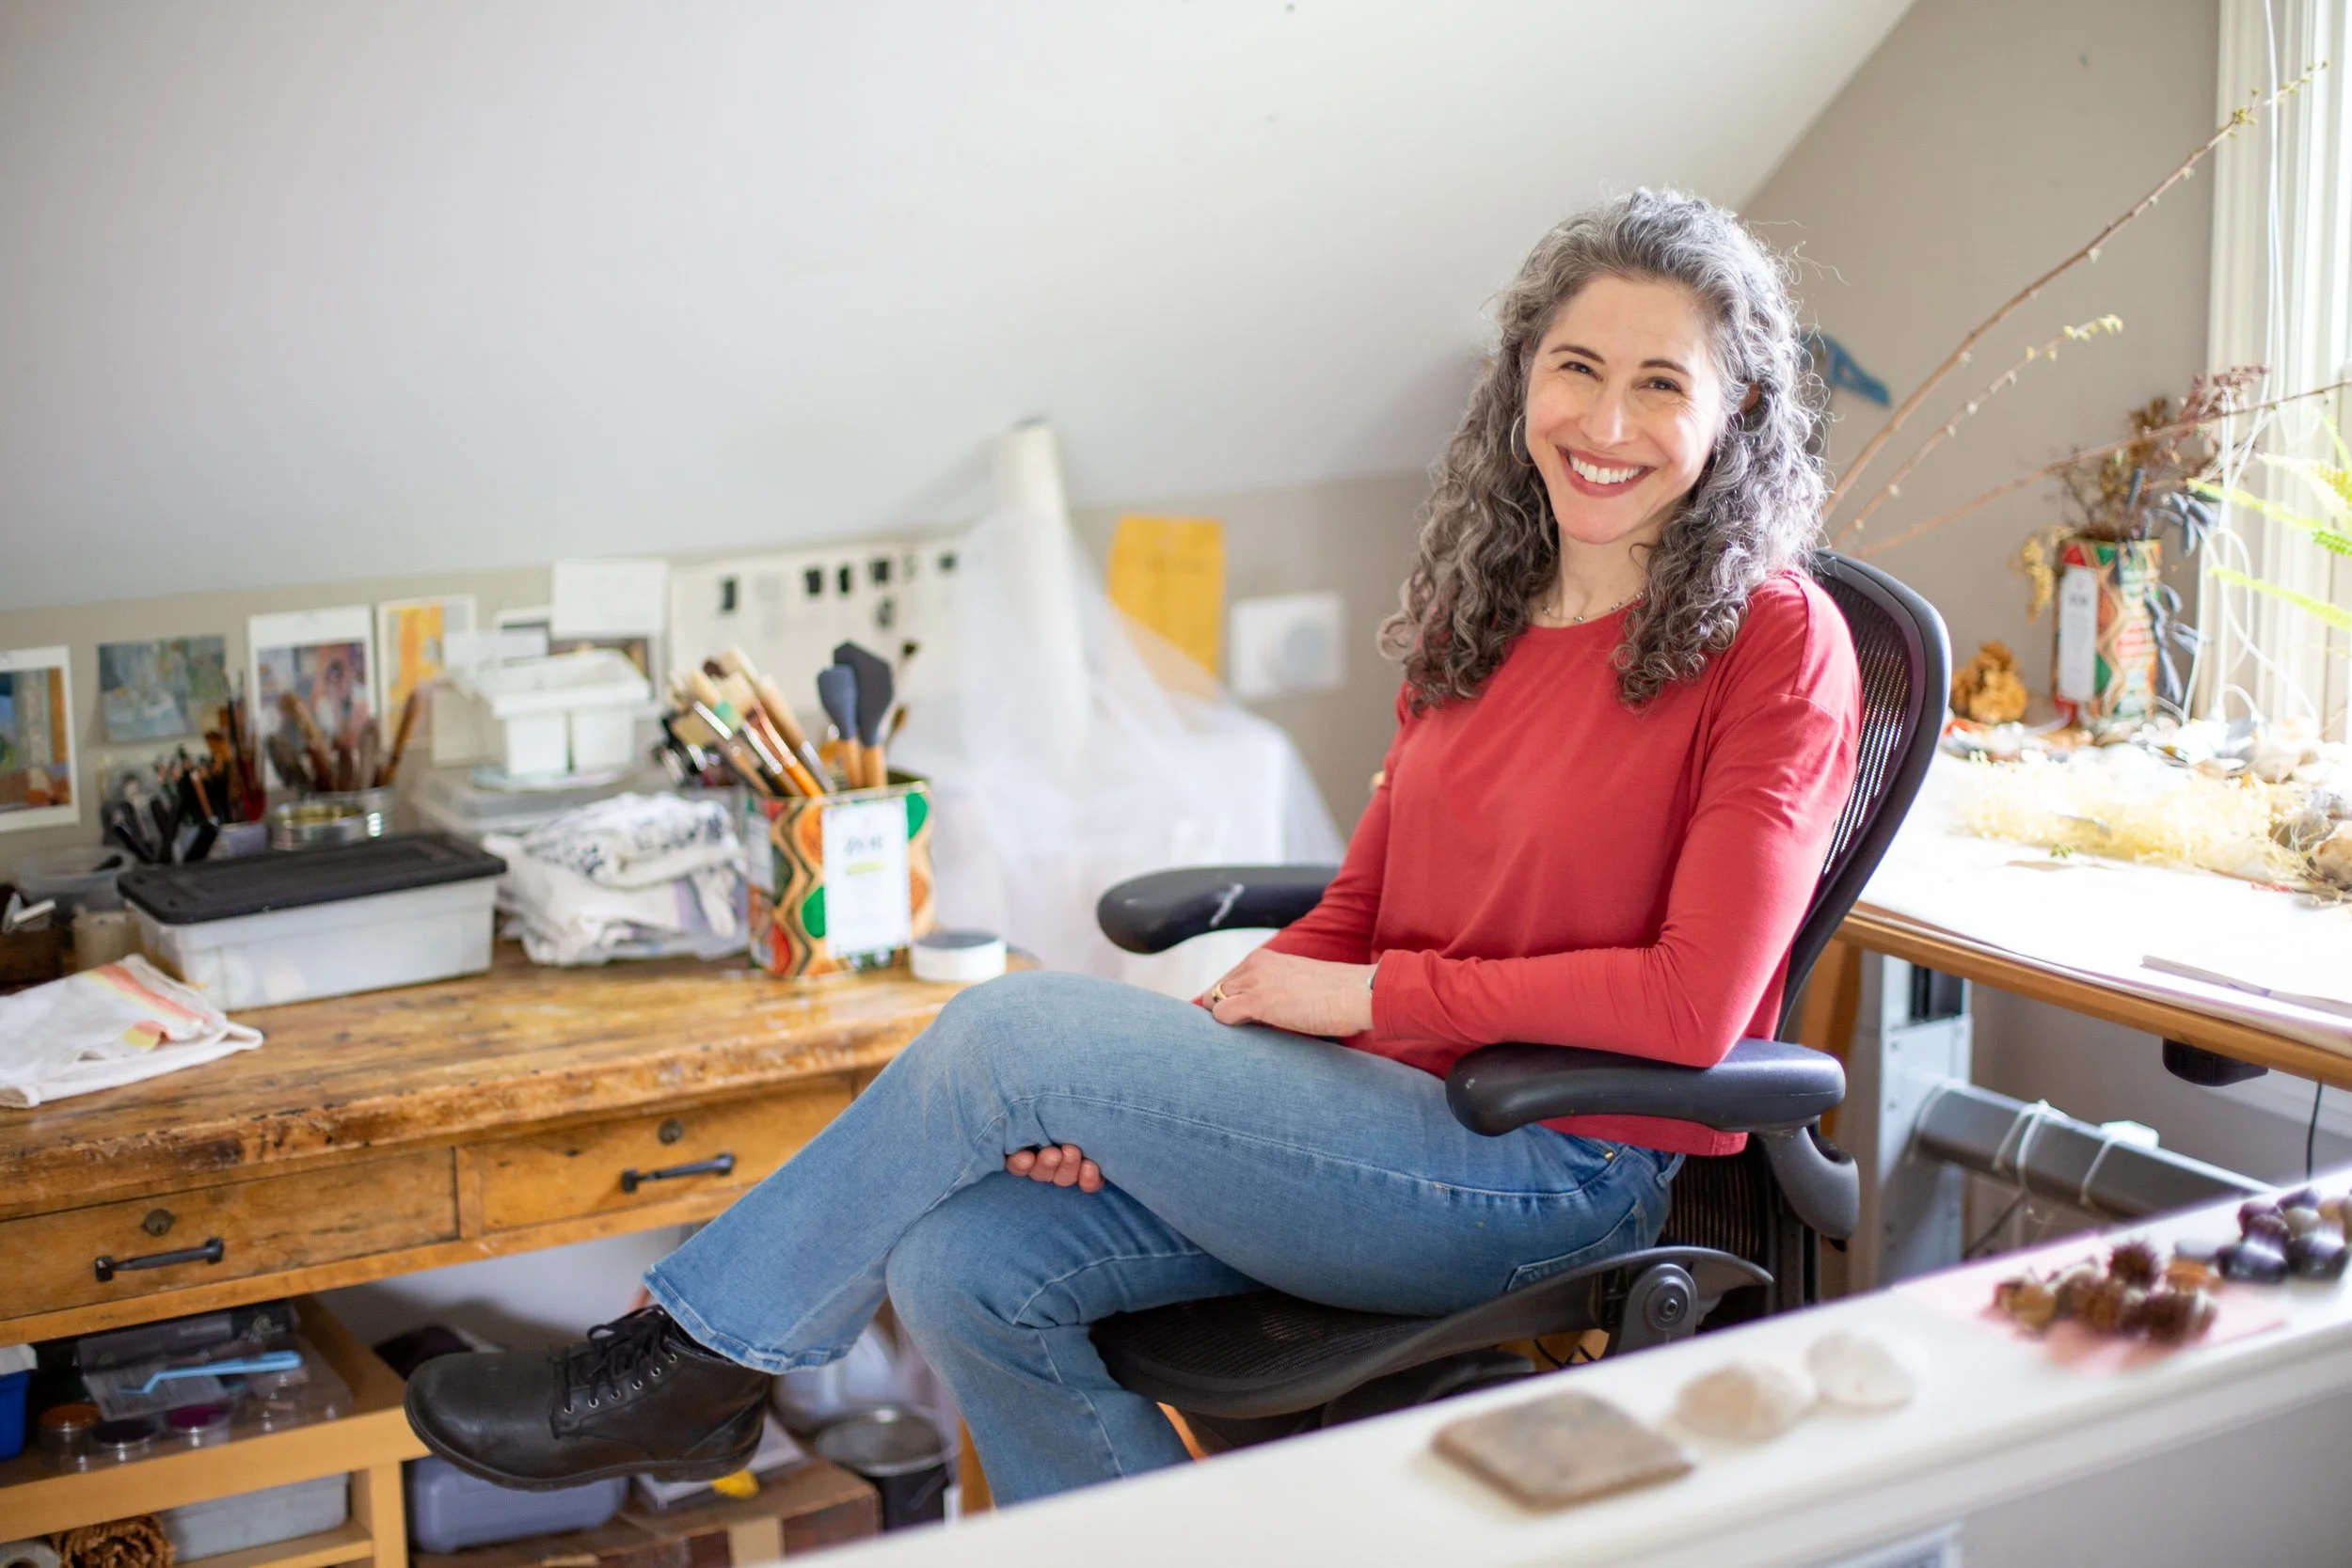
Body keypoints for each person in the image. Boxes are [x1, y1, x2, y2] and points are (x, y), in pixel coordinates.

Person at [404, 187, 1863, 1504]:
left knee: (1010, 1025)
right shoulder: (1489, 607)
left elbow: (1692, 1004)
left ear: (1735, 415)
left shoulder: (1777, 642)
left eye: (1660, 384)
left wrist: (1353, 1006)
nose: (1605, 426)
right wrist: (1190, 1060)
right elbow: (1368, 900)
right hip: (1371, 1125)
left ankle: (690, 1362)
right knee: (960, 1261)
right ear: (1523, 386)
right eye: (1577, 370)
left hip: (1542, 1165)